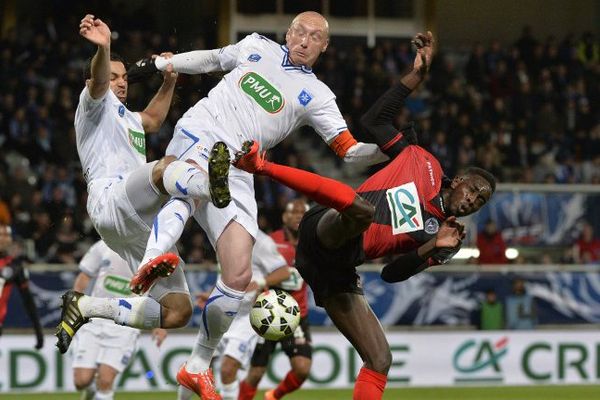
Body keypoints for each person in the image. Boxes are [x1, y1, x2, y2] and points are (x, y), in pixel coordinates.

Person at [125, 11, 388, 397]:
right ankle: (154, 256)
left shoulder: (318, 95)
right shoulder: (255, 46)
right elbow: (212, 58)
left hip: (240, 166)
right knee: (193, 186)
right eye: (299, 31)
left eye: (314, 36)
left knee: (237, 275)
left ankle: (197, 365)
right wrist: (161, 63)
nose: (303, 40)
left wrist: (388, 150)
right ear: (288, 31)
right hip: (204, 130)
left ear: (324, 46)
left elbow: (348, 151)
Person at [234, 31, 497, 399]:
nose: (473, 200)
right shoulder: (421, 160)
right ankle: (261, 166)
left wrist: (433, 248)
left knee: (380, 358)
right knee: (360, 210)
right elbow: (374, 119)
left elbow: (391, 274)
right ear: (461, 180)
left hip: (338, 268)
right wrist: (413, 78)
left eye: (481, 202)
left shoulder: (443, 237)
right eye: (474, 190)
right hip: (324, 229)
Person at [56, 13, 231, 377]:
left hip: (134, 226)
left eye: (124, 78)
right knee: (166, 167)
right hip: (110, 198)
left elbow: (151, 119)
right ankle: (209, 189)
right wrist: (103, 48)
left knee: (178, 312)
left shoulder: (128, 118)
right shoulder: (92, 106)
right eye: (114, 77)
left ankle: (87, 307)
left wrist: (169, 81)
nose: (121, 83)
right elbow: (100, 81)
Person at [187, 229, 294, 400]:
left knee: (228, 370)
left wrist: (259, 282)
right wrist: (212, 293)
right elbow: (228, 277)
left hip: (247, 317)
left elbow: (284, 272)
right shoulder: (222, 235)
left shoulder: (261, 241)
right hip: (223, 311)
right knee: (196, 366)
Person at [71, 240, 167, 400]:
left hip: (126, 325)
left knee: (106, 380)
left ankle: (101, 390)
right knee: (81, 381)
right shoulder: (102, 246)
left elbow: (159, 290)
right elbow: (83, 277)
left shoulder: (151, 252)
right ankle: (90, 391)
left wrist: (161, 324)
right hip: (94, 320)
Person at [239, 199, 312, 400]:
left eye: (302, 212)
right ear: (284, 217)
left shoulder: (314, 244)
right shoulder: (270, 242)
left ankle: (273, 396)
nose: (298, 215)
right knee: (256, 373)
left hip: (296, 315)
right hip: (268, 314)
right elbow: (253, 272)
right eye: (294, 212)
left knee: (303, 369)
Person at [0, 223, 43, 350]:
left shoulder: (15, 266)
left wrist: (38, 331)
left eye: (7, 235)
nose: (4, 238)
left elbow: (28, 301)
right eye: (0, 235)